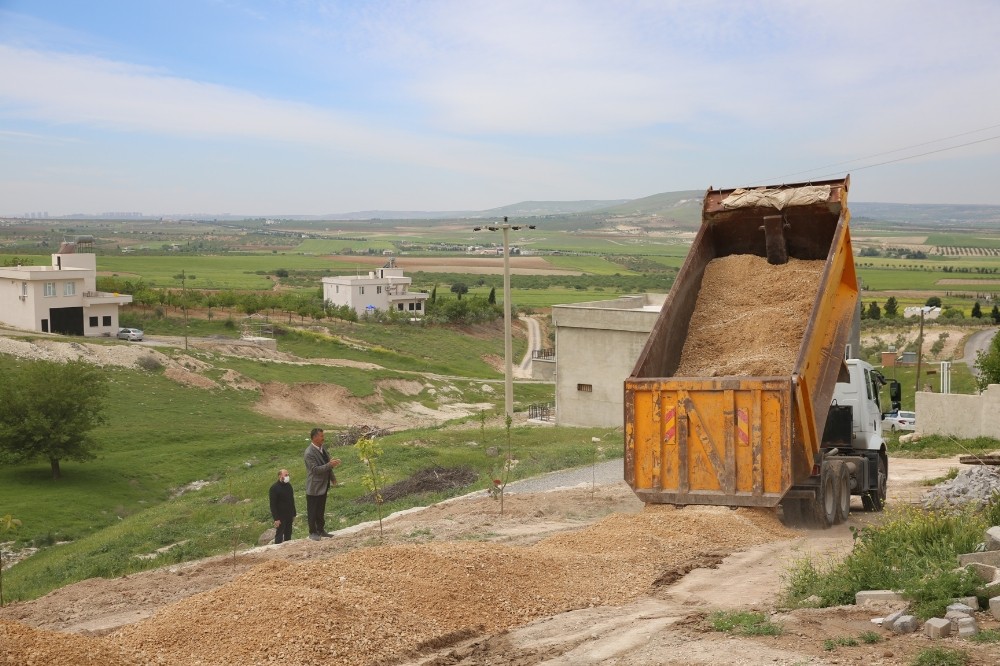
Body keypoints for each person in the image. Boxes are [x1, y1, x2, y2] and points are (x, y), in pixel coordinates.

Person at [304, 427, 341, 541]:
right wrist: (330, 464)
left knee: (321, 509)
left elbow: (327, 466)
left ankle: (321, 530)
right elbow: (315, 470)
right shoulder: (309, 453)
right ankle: (313, 532)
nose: (323, 438)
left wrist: (333, 478)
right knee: (313, 511)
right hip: (314, 487)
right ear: (314, 437)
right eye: (321, 436)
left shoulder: (322, 448)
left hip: (323, 485)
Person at [268, 468, 296, 544]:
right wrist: (276, 518)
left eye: (288, 475)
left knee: (288, 533)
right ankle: (276, 550)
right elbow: (272, 504)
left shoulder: (289, 486)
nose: (287, 476)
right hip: (280, 516)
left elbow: (292, 500)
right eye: (286, 475)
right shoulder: (274, 488)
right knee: (279, 534)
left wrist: (294, 514)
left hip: (289, 514)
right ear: (280, 476)